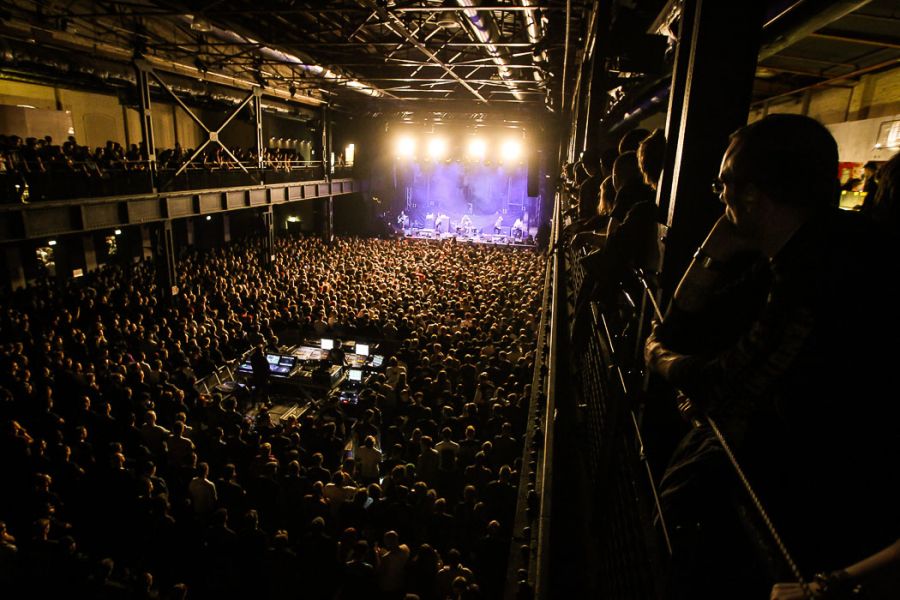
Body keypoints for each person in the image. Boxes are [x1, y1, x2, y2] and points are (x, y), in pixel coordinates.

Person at [645, 114, 900, 597]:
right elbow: (685, 327)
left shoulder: (823, 268)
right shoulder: (801, 249)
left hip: (833, 509)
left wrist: (662, 362)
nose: (718, 195)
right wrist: (712, 251)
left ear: (753, 194)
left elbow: (722, 378)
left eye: (726, 183)